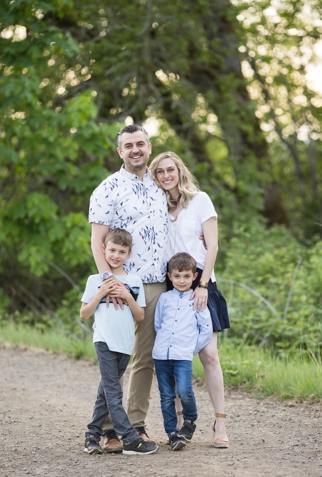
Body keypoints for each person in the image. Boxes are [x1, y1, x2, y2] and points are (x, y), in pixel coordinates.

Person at [88, 124, 173, 446]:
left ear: (149, 147)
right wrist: (109, 282)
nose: (135, 149)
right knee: (117, 358)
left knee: (145, 358)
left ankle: (136, 425)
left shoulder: (160, 184)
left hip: (157, 283)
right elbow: (97, 242)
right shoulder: (107, 189)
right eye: (128, 145)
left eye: (140, 144)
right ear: (120, 151)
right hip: (121, 285)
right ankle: (110, 429)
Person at [152, 151, 231, 448]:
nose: (165, 176)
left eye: (170, 170)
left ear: (180, 171)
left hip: (198, 280)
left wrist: (204, 284)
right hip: (168, 283)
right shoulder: (156, 205)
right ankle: (181, 422)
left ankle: (220, 421)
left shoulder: (200, 200)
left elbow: (212, 246)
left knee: (209, 354)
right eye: (159, 172)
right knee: (171, 353)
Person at [79, 228, 159, 455]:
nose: (116, 255)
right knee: (114, 394)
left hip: (125, 346)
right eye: (112, 250)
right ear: (104, 249)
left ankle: (92, 436)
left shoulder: (134, 281)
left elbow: (140, 315)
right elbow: (84, 314)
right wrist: (101, 292)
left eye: (121, 251)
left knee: (105, 393)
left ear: (129, 254)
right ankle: (131, 439)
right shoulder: (95, 280)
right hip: (104, 342)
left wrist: (126, 295)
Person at [152, 253, 212, 451]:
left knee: (184, 390)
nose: (181, 280)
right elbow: (158, 324)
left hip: (183, 356)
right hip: (161, 355)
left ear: (194, 277)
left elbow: (206, 330)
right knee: (166, 395)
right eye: (177, 276)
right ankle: (172, 433)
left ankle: (190, 421)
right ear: (170, 276)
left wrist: (191, 349)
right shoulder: (164, 298)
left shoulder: (197, 298)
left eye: (186, 276)